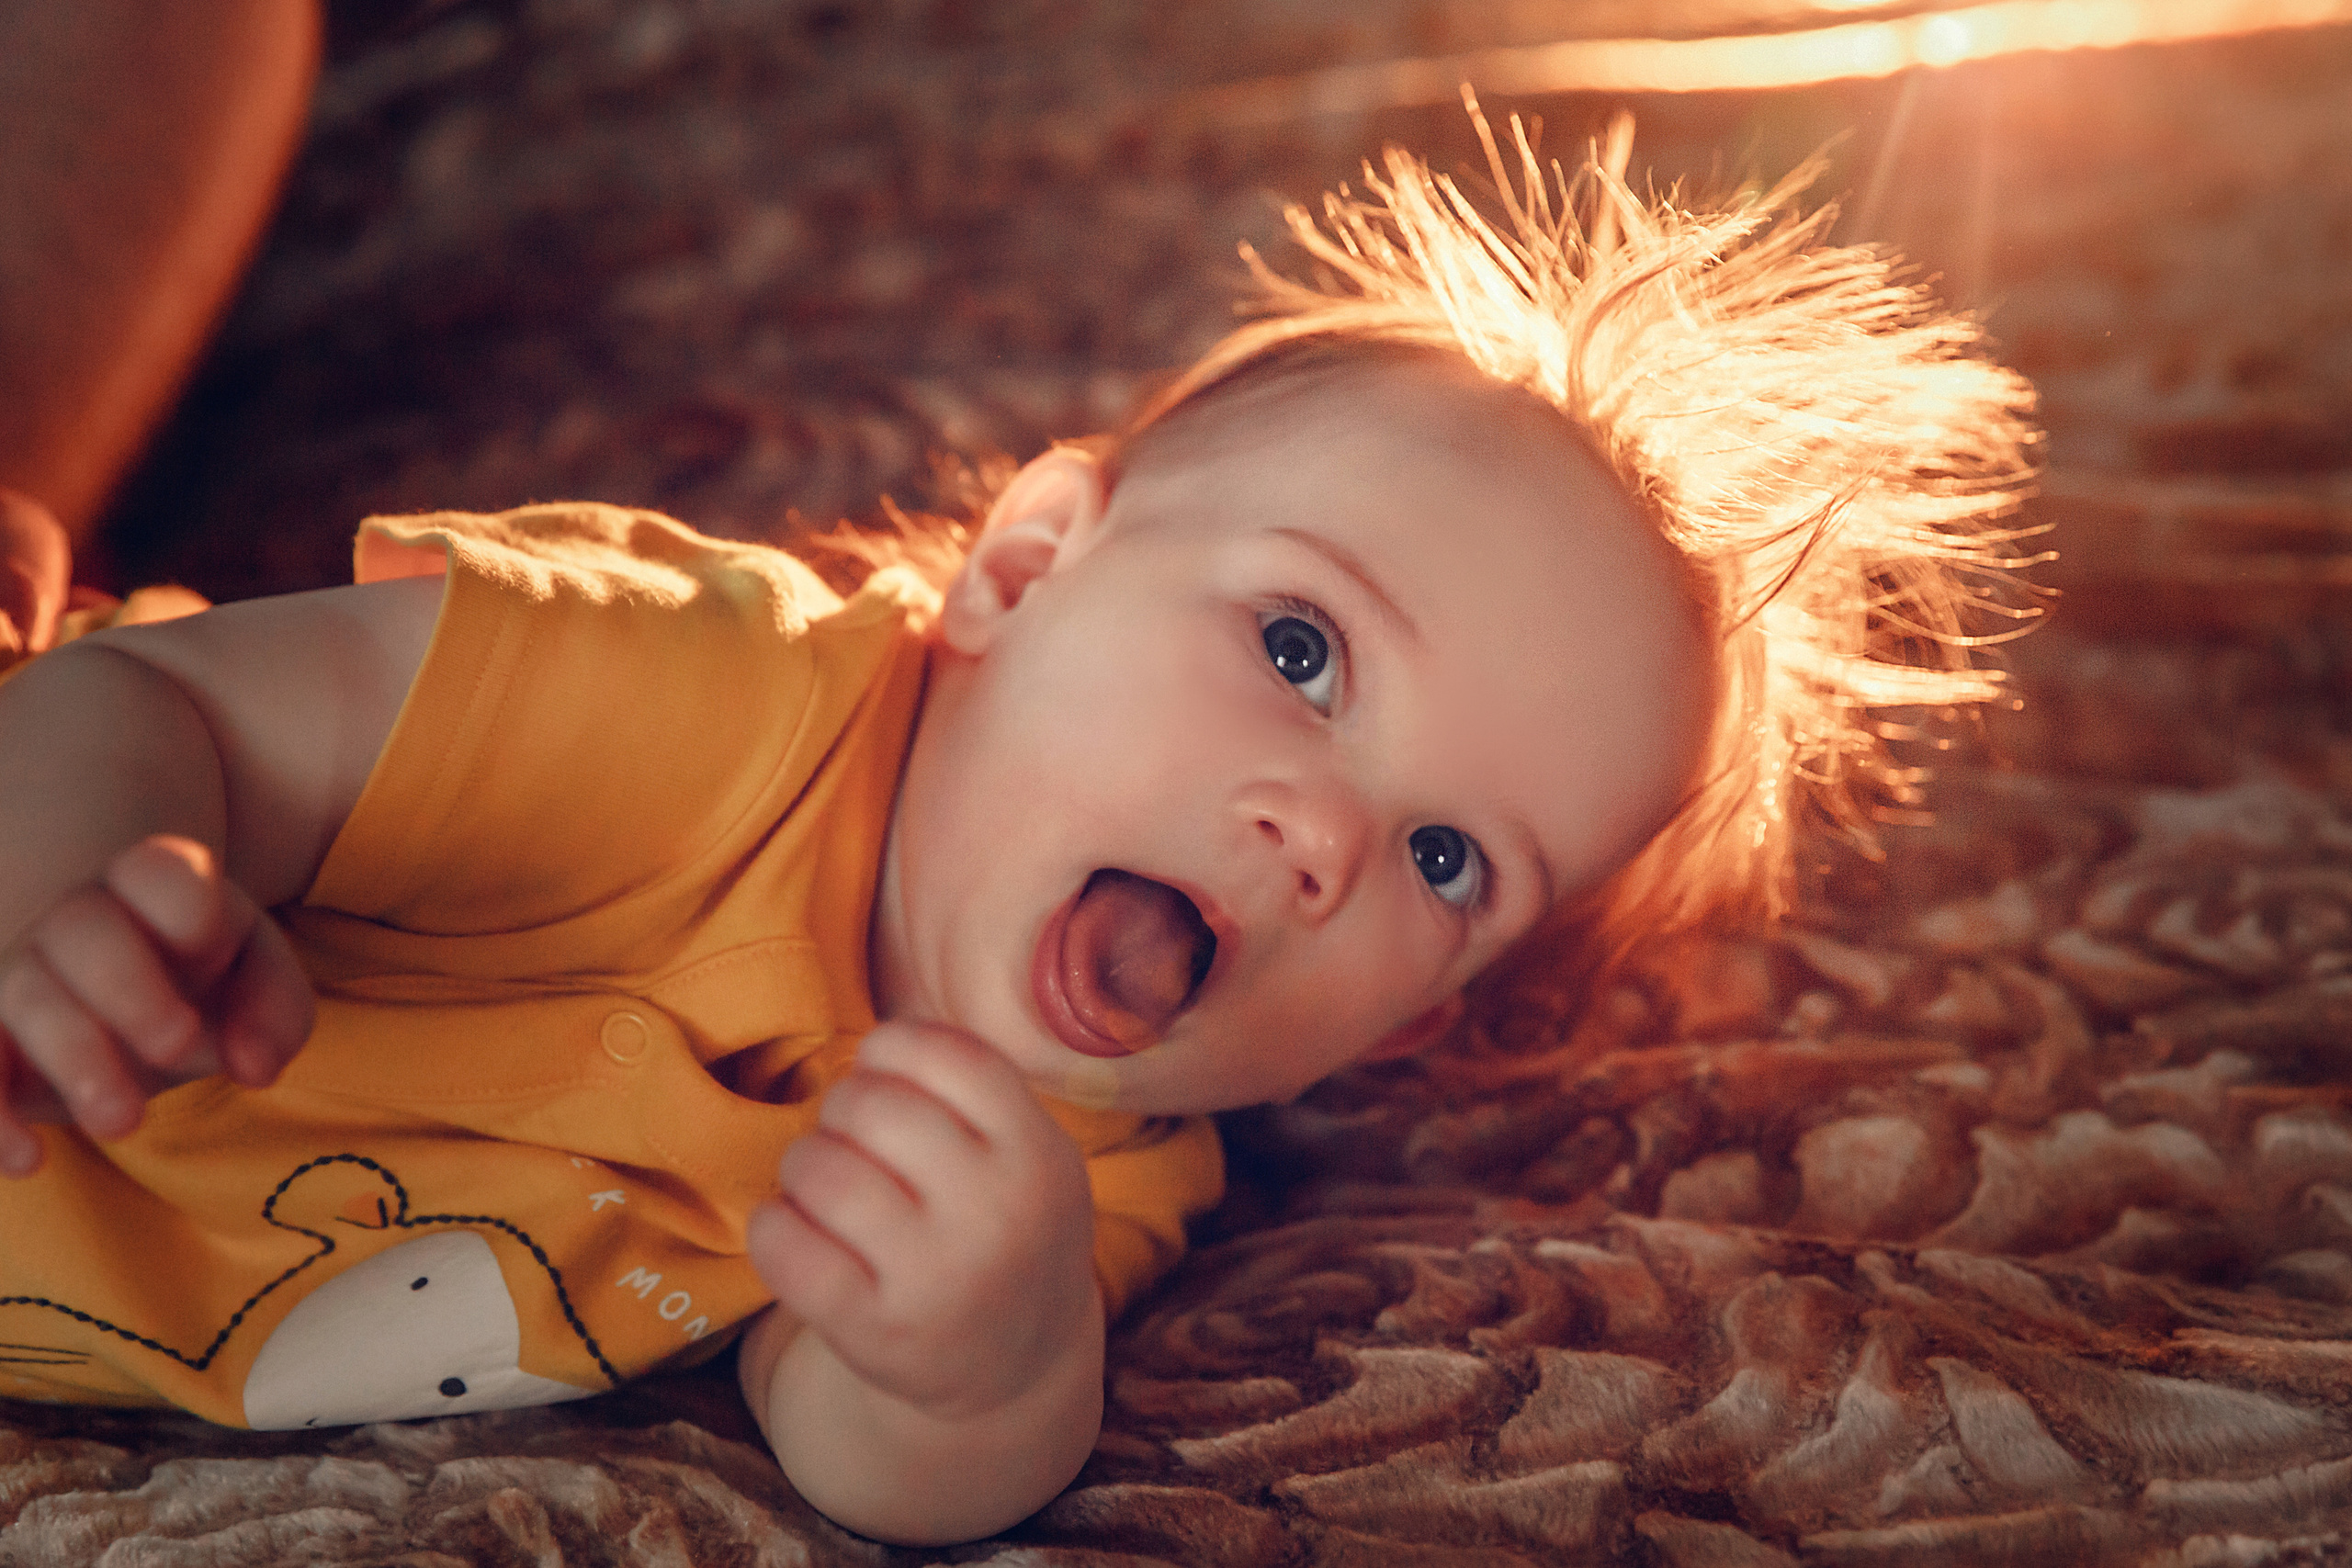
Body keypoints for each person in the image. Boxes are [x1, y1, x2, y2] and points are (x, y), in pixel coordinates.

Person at [0, 107, 2037, 1545]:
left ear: (1407, 1028)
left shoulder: (1092, 1164)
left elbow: (861, 1447)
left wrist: (971, 1361)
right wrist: (73, 886)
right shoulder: (696, 695)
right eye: (1304, 648)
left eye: (1444, 862)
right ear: (1023, 566)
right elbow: (152, 708)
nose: (1319, 834)